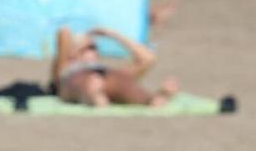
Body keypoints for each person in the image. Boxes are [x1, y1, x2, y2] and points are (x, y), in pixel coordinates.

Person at [50, 24, 178, 107]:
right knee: (85, 80)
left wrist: (112, 34)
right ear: (72, 51)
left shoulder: (107, 71)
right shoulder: (65, 66)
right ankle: (91, 95)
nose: (94, 51)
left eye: (94, 47)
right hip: (76, 80)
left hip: (104, 77)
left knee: (123, 80)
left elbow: (148, 58)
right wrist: (81, 40)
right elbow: (64, 32)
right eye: (88, 47)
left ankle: (150, 101)